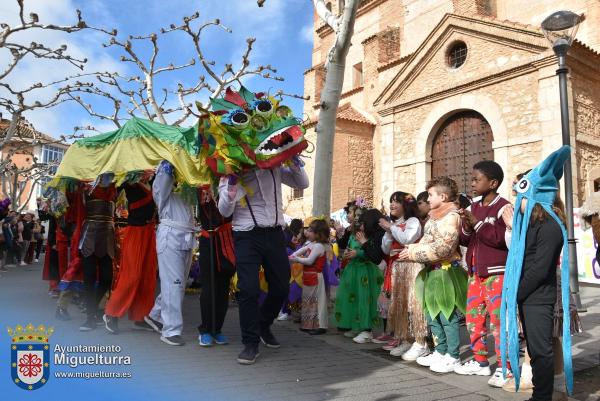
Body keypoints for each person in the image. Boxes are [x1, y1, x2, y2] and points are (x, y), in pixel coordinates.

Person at [501, 146, 576, 400]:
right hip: (528, 295)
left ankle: (542, 396)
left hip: (538, 296)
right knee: (535, 347)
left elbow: (539, 267)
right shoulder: (533, 224)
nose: (516, 201)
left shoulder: (550, 226)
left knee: (541, 350)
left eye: (520, 196)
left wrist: (516, 294)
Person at [218, 156, 309, 365]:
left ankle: (263, 323)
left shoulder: (274, 165)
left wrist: (293, 161)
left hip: (275, 232)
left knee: (281, 288)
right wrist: (233, 181)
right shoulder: (230, 166)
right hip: (246, 233)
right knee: (248, 289)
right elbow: (224, 210)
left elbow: (302, 183)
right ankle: (250, 343)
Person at [397, 176, 466, 374]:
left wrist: (412, 253)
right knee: (432, 313)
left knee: (447, 314)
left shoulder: (451, 216)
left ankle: (453, 355)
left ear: (443, 197)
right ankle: (440, 350)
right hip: (432, 272)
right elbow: (427, 240)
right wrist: (412, 247)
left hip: (445, 272)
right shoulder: (434, 216)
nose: (428, 199)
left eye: (431, 195)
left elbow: (443, 247)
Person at [454, 160, 512, 387]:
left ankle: (505, 367)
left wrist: (477, 224)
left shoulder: (504, 207)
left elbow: (500, 240)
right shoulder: (474, 206)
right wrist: (466, 225)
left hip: (497, 273)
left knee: (498, 322)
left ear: (493, 183)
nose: (473, 183)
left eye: (477, 179)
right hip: (476, 273)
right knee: (473, 319)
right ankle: (480, 362)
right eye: (472, 179)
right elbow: (466, 240)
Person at [145, 160, 196, 346]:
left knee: (178, 284)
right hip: (170, 236)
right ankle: (170, 330)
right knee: (173, 283)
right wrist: (171, 161)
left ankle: (155, 315)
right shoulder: (163, 178)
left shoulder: (188, 182)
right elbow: (163, 183)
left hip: (187, 236)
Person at [103, 182, 158, 334]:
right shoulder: (129, 179)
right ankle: (111, 314)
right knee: (131, 276)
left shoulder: (154, 179)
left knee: (148, 276)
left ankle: (141, 317)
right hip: (135, 232)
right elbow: (112, 191)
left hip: (149, 231)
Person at [379, 191, 428, 361]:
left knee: (413, 304)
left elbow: (407, 239)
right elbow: (386, 249)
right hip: (398, 268)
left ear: (405, 205)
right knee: (400, 304)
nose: (392, 205)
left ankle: (421, 341)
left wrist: (390, 228)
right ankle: (405, 338)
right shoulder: (394, 224)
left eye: (396, 202)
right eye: (391, 201)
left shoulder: (413, 222)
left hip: (411, 266)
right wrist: (388, 232)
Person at [334, 207, 386, 344]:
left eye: (359, 216)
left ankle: (366, 329)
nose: (357, 219)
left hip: (365, 271)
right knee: (352, 298)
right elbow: (347, 247)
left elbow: (373, 254)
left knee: (365, 299)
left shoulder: (371, 235)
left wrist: (358, 253)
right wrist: (347, 254)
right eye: (355, 215)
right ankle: (356, 325)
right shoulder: (353, 234)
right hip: (352, 271)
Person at [196, 186, 236, 347]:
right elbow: (210, 215)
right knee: (209, 288)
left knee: (223, 289)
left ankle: (217, 329)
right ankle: (205, 330)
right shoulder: (202, 185)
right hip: (209, 241)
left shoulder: (231, 183)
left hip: (227, 240)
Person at [79, 176, 116, 331]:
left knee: (107, 278)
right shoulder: (85, 184)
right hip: (90, 233)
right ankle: (89, 317)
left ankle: (92, 309)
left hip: (107, 234)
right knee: (89, 277)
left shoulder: (115, 183)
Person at [290, 218, 331, 335]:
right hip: (309, 277)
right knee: (308, 301)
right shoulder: (312, 244)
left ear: (319, 233)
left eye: (311, 230)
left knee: (317, 301)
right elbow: (302, 250)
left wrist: (296, 259)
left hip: (315, 277)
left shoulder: (318, 246)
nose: (308, 232)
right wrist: (294, 255)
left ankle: (320, 325)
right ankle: (308, 324)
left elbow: (309, 260)